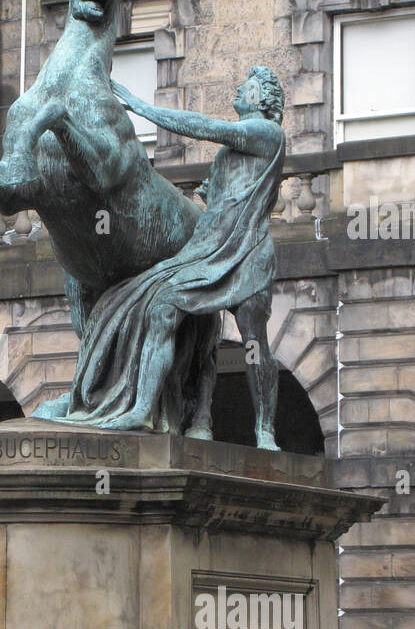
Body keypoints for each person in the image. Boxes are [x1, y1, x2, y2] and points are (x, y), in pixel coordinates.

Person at [62, 66, 286, 448]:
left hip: (248, 253)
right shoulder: (233, 154)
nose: (237, 87)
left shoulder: (266, 132)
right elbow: (224, 196)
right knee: (161, 303)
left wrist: (141, 107)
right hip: (209, 250)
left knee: (253, 341)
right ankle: (142, 409)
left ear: (262, 100)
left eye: (246, 86)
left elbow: (202, 127)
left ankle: (265, 431)